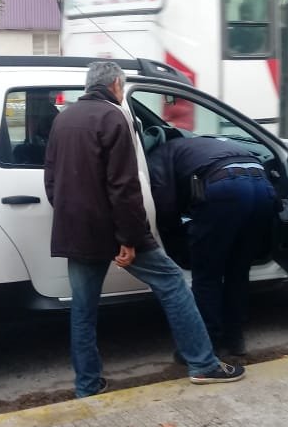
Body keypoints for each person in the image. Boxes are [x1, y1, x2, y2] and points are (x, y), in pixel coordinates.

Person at [44, 61, 245, 397]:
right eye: (121, 88)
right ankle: (203, 363)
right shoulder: (114, 117)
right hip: (112, 231)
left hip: (76, 230)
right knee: (171, 283)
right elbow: (123, 186)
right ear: (117, 87)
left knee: (83, 310)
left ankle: (87, 385)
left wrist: (71, 215)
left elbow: (51, 180)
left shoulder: (63, 119)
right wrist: (130, 238)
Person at [146, 133, 276, 357]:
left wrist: (175, 237)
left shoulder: (159, 155)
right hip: (262, 186)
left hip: (226, 187)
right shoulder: (200, 143)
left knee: (207, 274)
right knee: (238, 270)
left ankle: (208, 343)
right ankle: (235, 340)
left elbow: (164, 203)